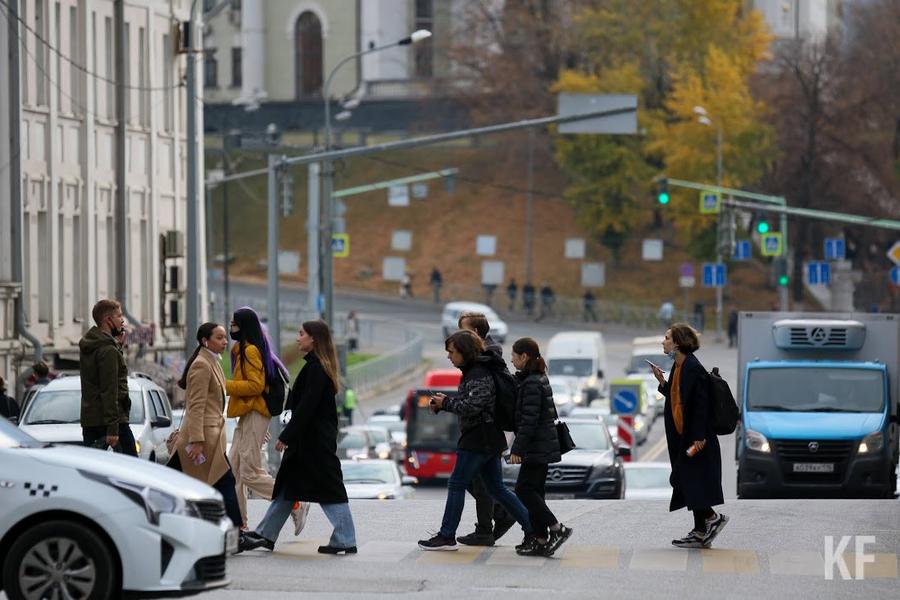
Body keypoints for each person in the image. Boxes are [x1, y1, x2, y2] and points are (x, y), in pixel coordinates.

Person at [241, 321, 358, 554]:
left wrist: (287, 435)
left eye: (301, 334)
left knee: (329, 489)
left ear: (313, 339)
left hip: (314, 443)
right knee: (288, 487)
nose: (298, 338)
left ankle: (345, 538)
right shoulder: (316, 366)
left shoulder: (317, 369)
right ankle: (266, 533)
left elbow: (306, 407)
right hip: (308, 442)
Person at [418, 330, 534, 552]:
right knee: (496, 488)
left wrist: (446, 404)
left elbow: (474, 406)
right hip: (487, 437)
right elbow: (473, 401)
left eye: (452, 352)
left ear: (464, 351)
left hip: (479, 437)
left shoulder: (478, 373)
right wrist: (446, 403)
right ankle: (532, 528)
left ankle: (446, 535)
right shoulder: (474, 371)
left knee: (456, 484)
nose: (449, 357)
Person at [649, 323, 727, 549]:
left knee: (685, 479)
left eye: (666, 338)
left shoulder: (692, 367)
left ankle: (712, 518)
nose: (663, 342)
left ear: (678, 343)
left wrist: (699, 436)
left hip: (696, 439)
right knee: (690, 481)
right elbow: (678, 399)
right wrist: (662, 382)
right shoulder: (679, 365)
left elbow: (700, 404)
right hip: (684, 437)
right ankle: (701, 530)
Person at [226, 307, 303, 534]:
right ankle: (239, 524)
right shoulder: (241, 349)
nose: (231, 328)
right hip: (248, 414)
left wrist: (224, 384)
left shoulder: (250, 351)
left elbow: (255, 385)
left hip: (255, 412)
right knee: (233, 471)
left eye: (234, 324)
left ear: (244, 326)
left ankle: (294, 501)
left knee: (249, 472)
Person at [168, 322, 244, 530]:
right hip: (204, 438)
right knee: (224, 480)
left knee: (178, 482)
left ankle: (235, 531)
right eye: (219, 338)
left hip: (211, 435)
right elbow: (196, 405)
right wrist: (197, 441)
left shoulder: (212, 361)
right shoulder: (202, 364)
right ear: (205, 341)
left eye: (224, 337)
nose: (225, 341)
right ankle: (236, 531)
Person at [454, 312, 514, 546]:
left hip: (484, 430)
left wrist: (448, 404)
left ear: (475, 333)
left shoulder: (483, 358)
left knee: (473, 481)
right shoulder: (483, 356)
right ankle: (497, 518)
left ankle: (489, 526)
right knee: (484, 482)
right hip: (483, 429)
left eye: (463, 331)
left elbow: (476, 401)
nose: (458, 336)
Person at [509, 337, 572, 556]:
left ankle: (557, 529)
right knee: (534, 491)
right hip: (540, 446)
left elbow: (529, 420)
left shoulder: (533, 383)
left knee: (523, 490)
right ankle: (541, 538)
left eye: (514, 357)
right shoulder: (535, 378)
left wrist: (517, 449)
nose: (512, 361)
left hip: (537, 447)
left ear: (524, 357)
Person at [79, 299, 137, 456]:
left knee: (93, 469)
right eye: (119, 316)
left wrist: (117, 345)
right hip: (112, 422)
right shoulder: (108, 350)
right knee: (133, 468)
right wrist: (113, 428)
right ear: (108, 320)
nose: (122, 320)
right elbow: (110, 390)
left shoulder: (92, 346)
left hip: (91, 420)